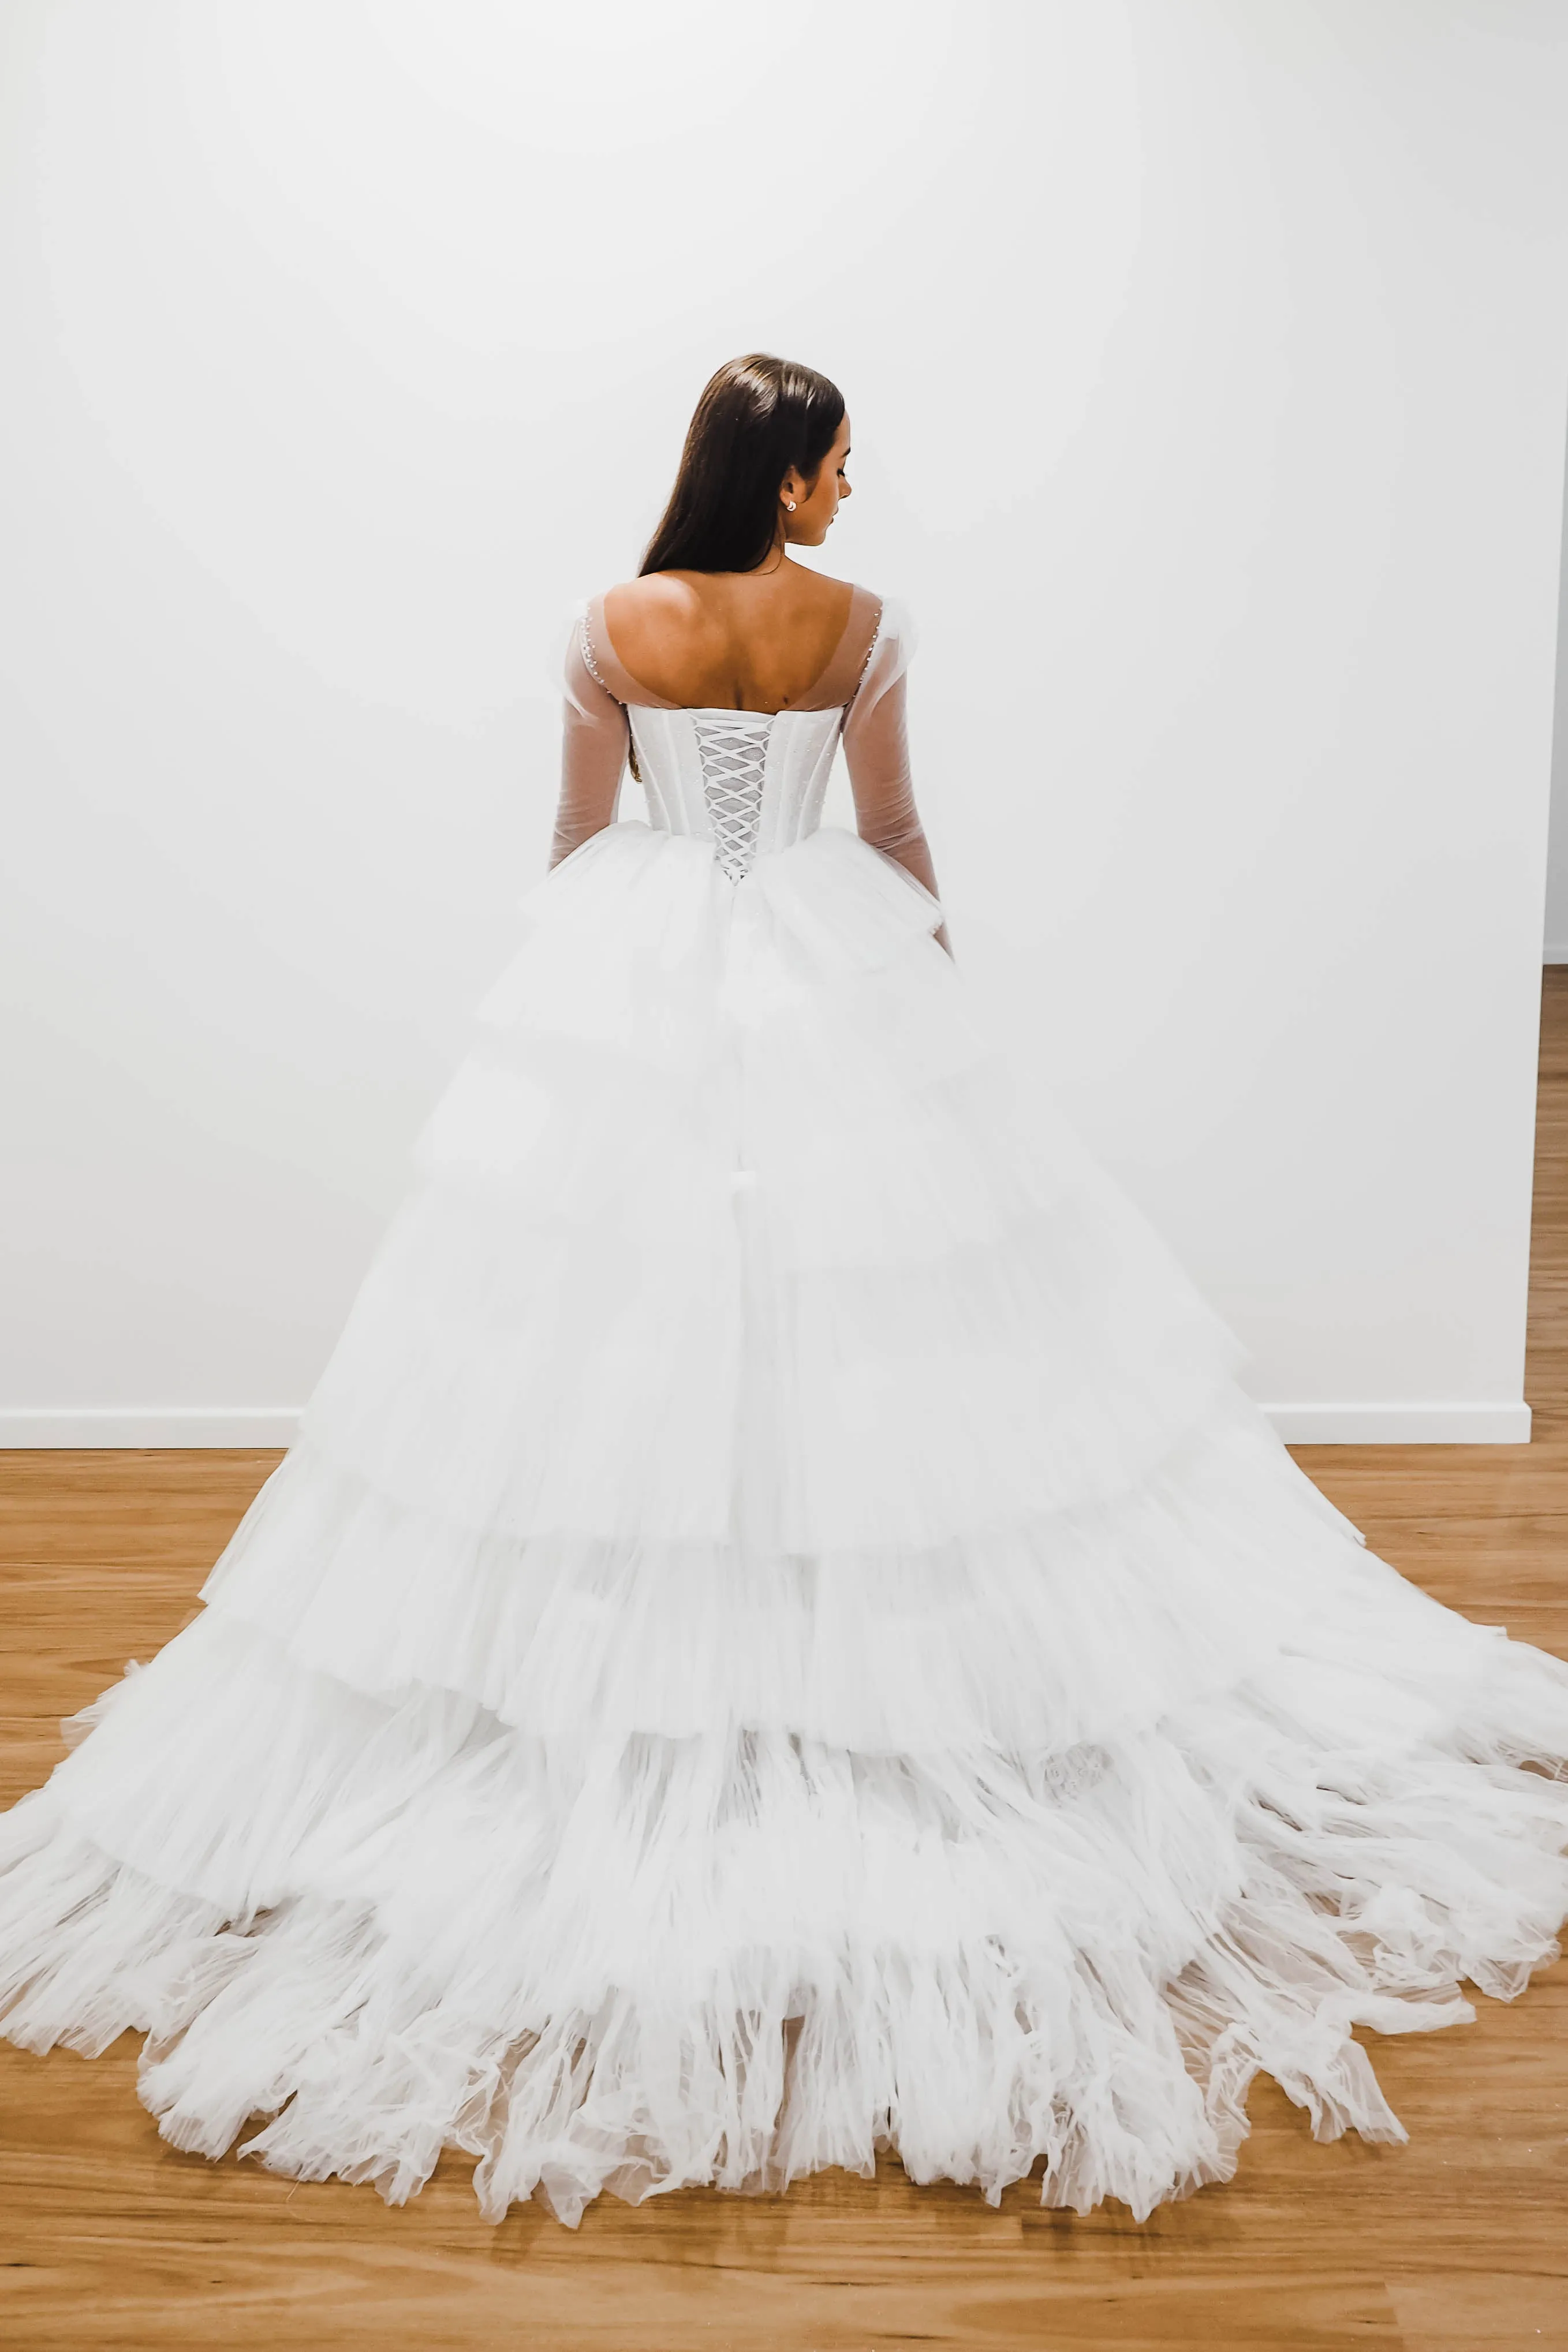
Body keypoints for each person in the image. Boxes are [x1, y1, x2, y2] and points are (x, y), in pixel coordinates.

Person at [2, 354, 1566, 2231]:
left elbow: (584, 842)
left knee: (602, 1331)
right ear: (790, 469)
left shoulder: (610, 619)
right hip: (824, 960)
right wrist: (926, 976)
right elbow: (889, 833)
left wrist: (615, 973)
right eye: (838, 461)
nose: (850, 490)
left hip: (642, 960)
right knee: (883, 1329)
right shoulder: (861, 622)